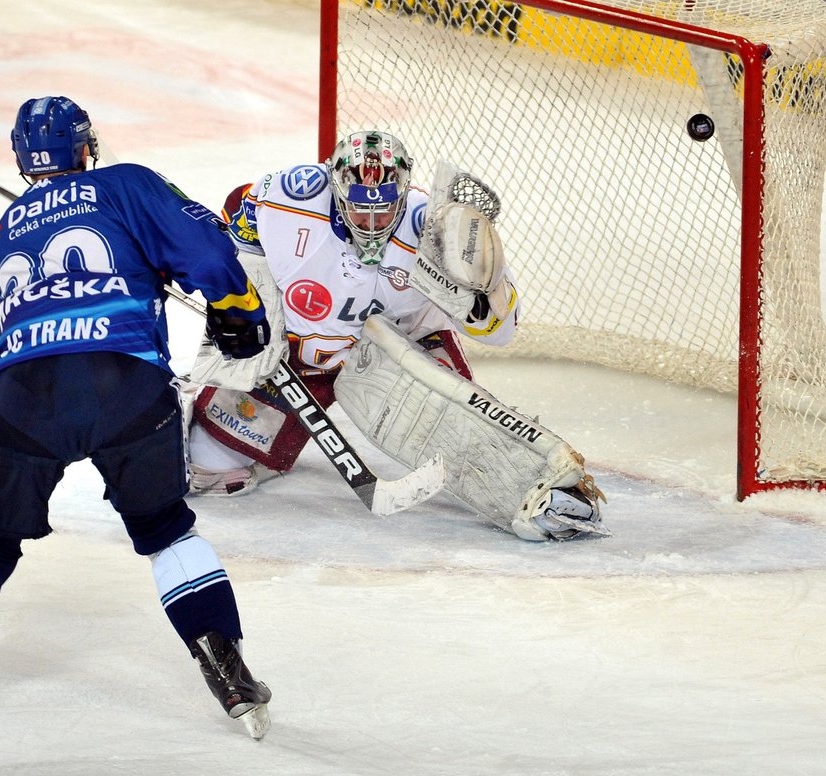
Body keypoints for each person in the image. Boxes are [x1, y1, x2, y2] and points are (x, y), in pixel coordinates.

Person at [0, 96, 273, 747]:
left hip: (22, 392)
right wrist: (238, 315)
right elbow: (205, 251)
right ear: (86, 147)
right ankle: (229, 675)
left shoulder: (2, 231)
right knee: (167, 531)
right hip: (124, 381)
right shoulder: (126, 183)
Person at [186, 130, 606, 542]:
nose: (372, 223)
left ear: (404, 195)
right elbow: (239, 222)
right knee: (206, 466)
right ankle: (269, 440)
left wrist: (482, 292)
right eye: (359, 209)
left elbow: (502, 332)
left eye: (385, 211)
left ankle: (543, 485)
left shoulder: (440, 229)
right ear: (335, 189)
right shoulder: (289, 197)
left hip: (401, 358)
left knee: (476, 461)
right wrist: (252, 311)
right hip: (296, 358)